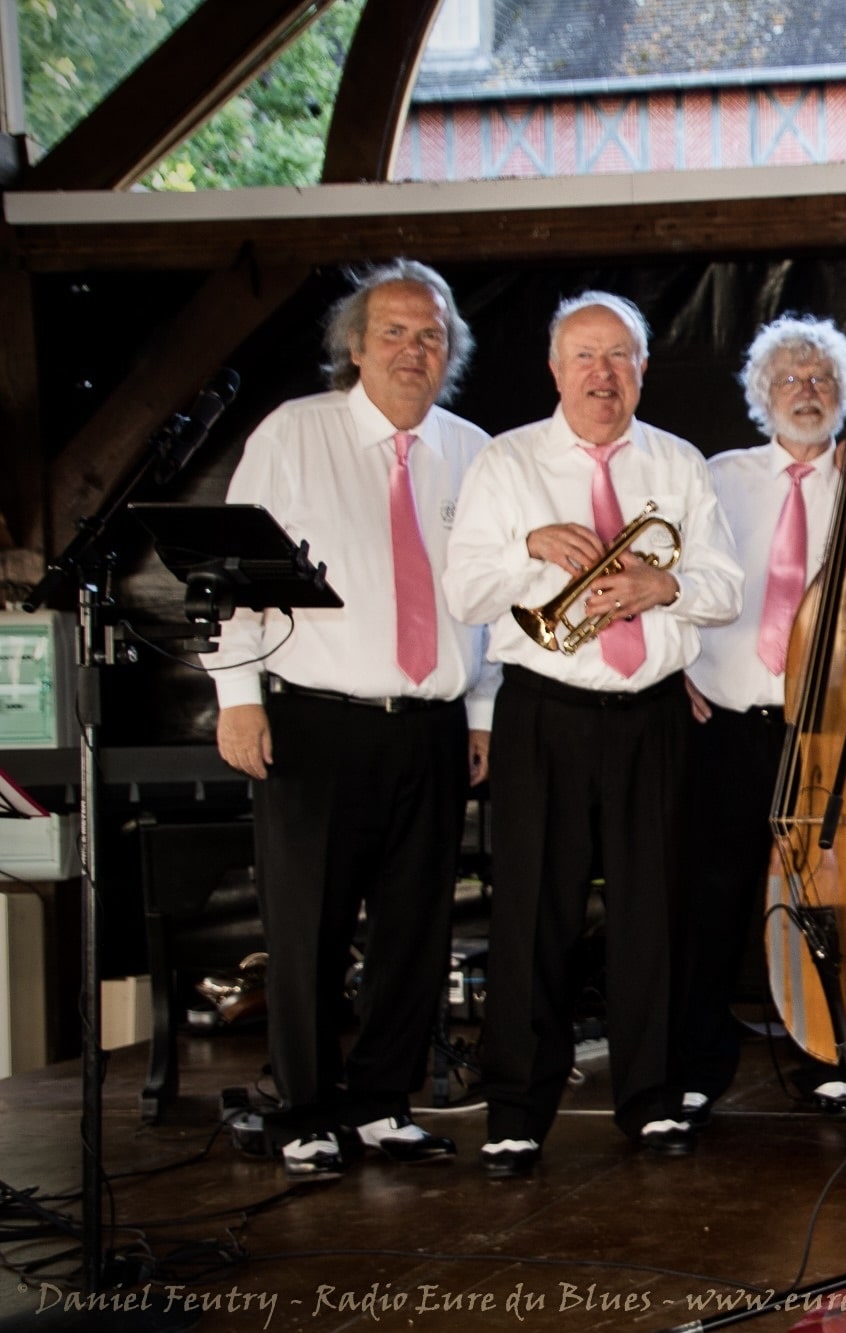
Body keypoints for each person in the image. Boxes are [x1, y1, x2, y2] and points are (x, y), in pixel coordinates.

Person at [442, 291, 743, 1178]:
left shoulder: (680, 462)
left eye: (619, 357)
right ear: (554, 368)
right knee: (533, 910)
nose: (602, 374)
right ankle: (515, 1109)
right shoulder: (506, 464)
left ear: (643, 368)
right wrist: (532, 544)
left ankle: (649, 1099)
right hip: (547, 711)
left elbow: (724, 586)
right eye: (584, 356)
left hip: (651, 712)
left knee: (654, 911)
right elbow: (465, 594)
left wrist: (663, 588)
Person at [208, 259, 491, 1178]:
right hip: (317, 725)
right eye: (396, 332)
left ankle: (381, 1103)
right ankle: (302, 1107)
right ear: (356, 345)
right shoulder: (295, 433)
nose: (415, 349)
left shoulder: (474, 448)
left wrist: (481, 710)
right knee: (309, 929)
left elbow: (485, 604)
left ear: (450, 352)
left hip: (434, 724)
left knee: (415, 929)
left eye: (432, 335)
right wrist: (238, 699)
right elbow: (229, 575)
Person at [675, 315, 846, 1126]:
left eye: (823, 379)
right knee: (714, 899)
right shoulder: (717, 473)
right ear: (761, 394)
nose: (807, 391)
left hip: (826, 724)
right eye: (790, 379)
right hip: (726, 714)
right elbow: (685, 576)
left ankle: (822, 1055)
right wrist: (680, 664)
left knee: (818, 901)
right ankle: (694, 1065)